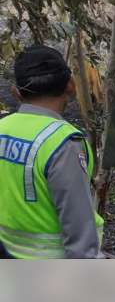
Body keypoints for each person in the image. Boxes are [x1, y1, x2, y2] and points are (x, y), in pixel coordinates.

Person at [0, 46, 103, 259]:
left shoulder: (3, 128)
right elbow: (80, 240)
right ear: (71, 86)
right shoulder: (63, 143)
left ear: (16, 92)